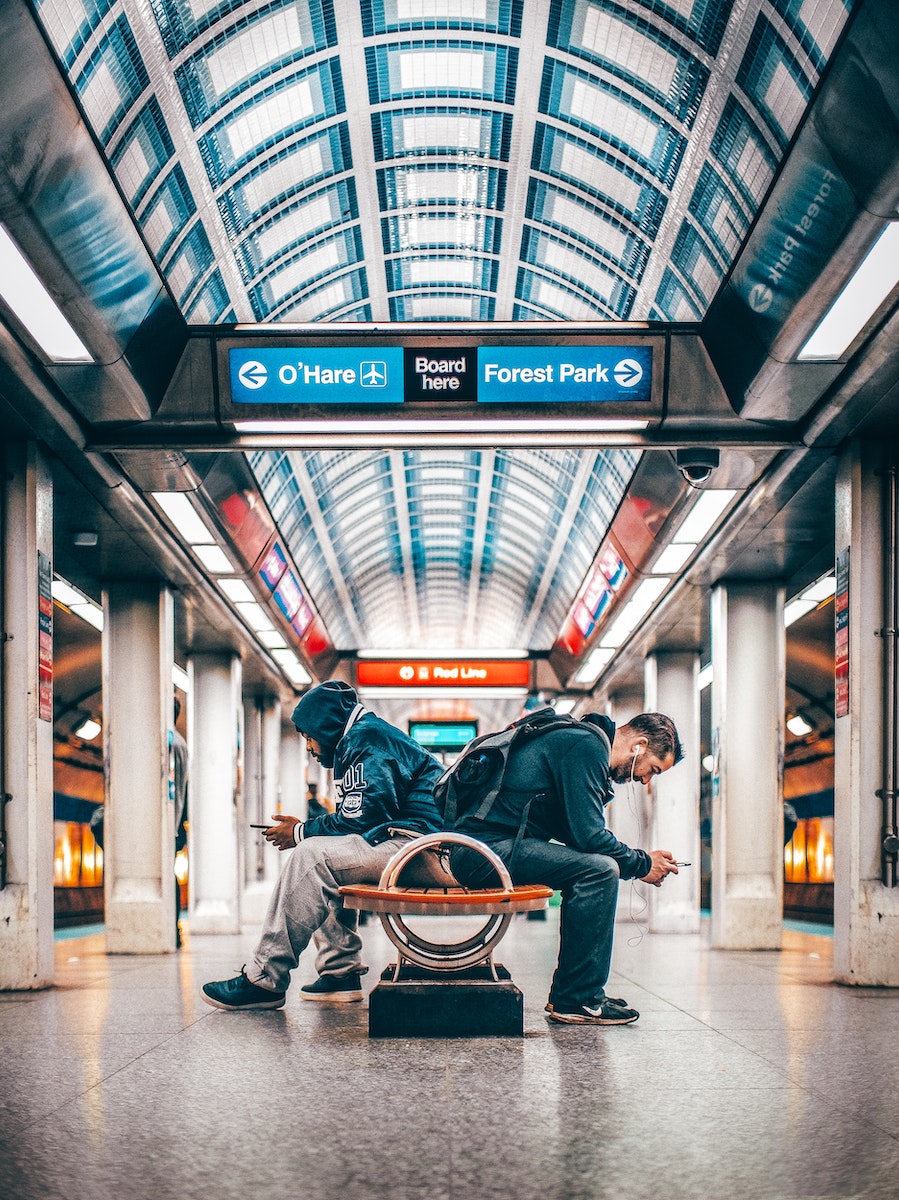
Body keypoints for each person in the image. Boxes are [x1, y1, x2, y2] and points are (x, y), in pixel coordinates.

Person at [201, 680, 445, 1011]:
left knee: (312, 856)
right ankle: (339, 973)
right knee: (326, 851)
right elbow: (363, 820)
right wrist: (308, 830)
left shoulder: (367, 741)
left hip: (423, 849)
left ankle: (265, 979)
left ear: (327, 726)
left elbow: (363, 820)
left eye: (309, 736)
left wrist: (301, 832)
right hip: (416, 843)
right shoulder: (363, 738)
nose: (308, 746)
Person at [448, 710, 684, 1026]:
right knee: (599, 870)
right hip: (481, 852)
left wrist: (635, 860)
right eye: (652, 769)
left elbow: (577, 833)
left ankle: (579, 994)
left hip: (486, 847)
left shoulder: (581, 741)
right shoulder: (585, 746)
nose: (644, 780)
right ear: (639, 745)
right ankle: (578, 998)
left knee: (597, 866)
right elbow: (590, 837)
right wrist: (642, 863)